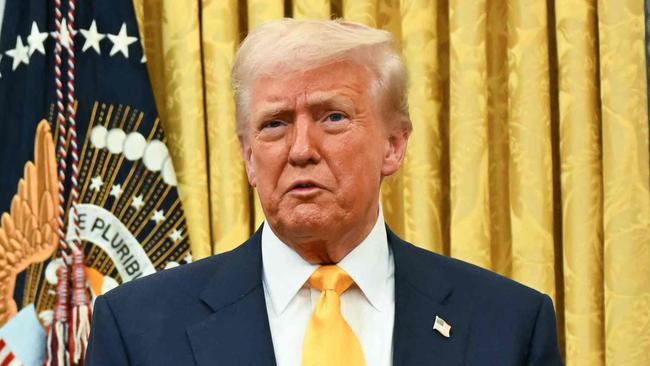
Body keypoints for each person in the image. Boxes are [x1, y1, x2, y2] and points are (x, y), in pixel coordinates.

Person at [85, 19, 563, 365]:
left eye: (333, 117)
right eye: (274, 124)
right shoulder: (138, 328)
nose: (301, 150)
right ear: (250, 157)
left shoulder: (509, 324)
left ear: (394, 146)